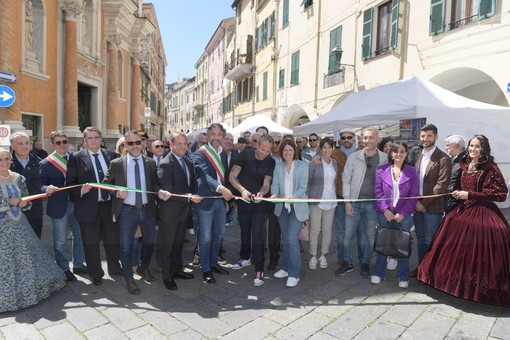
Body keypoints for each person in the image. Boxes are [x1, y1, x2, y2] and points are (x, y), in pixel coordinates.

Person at [418, 135, 510, 307]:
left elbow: (501, 195)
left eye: (477, 146)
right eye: (471, 146)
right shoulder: (465, 165)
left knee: (492, 234)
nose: (473, 149)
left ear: (483, 148)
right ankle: (450, 283)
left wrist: (470, 194)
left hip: (483, 210)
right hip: (463, 209)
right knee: (450, 225)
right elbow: (461, 187)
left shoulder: (490, 167)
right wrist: (458, 193)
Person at [0, 149, 66, 312]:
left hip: (20, 225)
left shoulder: (18, 178)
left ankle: (30, 291)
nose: (4, 162)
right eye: (0, 159)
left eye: (7, 159)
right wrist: (9, 203)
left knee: (27, 257)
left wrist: (23, 203)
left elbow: (27, 201)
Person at [103, 130, 160, 295]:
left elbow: (154, 184)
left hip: (147, 209)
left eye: (137, 142)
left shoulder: (150, 163)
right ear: (125, 145)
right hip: (127, 211)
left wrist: (159, 192)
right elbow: (106, 184)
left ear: (142, 143)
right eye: (130, 143)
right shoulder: (116, 163)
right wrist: (116, 192)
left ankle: (143, 268)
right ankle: (129, 279)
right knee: (126, 247)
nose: (135, 146)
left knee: (149, 242)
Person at [66, 127, 122, 286]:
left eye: (96, 137)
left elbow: (118, 181)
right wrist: (80, 190)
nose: (93, 140)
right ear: (84, 141)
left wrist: (118, 192)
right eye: (89, 138)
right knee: (91, 243)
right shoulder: (76, 158)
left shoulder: (111, 156)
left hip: (109, 206)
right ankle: (95, 273)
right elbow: (69, 183)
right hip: (87, 208)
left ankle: (115, 268)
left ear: (101, 139)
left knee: (112, 240)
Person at [336, 128, 387, 278]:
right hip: (354, 202)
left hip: (372, 204)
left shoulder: (384, 158)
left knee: (370, 237)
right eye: (365, 138)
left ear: (377, 139)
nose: (367, 141)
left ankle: (365, 263)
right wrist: (347, 202)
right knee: (348, 234)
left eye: (371, 138)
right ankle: (347, 263)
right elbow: (346, 180)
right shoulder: (354, 157)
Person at [40, 130, 87, 283]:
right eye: (58, 142)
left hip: (77, 203)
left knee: (79, 236)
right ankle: (64, 268)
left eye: (64, 142)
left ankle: (78, 265)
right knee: (60, 240)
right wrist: (46, 188)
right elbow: (40, 184)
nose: (62, 145)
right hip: (58, 205)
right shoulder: (46, 163)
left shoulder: (75, 159)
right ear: (53, 144)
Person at [229, 134, 275, 286]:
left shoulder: (271, 161)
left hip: (259, 203)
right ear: (257, 144)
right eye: (262, 149)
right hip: (244, 200)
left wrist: (262, 193)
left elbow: (267, 183)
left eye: (268, 151)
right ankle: (244, 257)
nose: (264, 153)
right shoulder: (245, 154)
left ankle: (259, 268)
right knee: (244, 230)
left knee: (258, 234)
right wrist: (242, 190)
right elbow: (232, 176)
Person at [371, 142, 419, 288]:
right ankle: (379, 272)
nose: (399, 154)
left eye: (402, 151)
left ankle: (403, 276)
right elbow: (378, 192)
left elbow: (414, 195)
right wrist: (385, 209)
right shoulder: (381, 169)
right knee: (383, 242)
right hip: (384, 213)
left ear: (406, 153)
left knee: (402, 244)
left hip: (404, 215)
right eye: (396, 151)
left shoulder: (412, 171)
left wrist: (403, 213)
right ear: (391, 153)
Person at [158, 133, 201, 291]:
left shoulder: (187, 161)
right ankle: (167, 277)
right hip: (170, 213)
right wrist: (189, 198)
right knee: (167, 246)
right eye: (179, 143)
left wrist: (194, 194)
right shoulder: (166, 163)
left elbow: (191, 183)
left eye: (185, 143)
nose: (183, 146)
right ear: (171, 144)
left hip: (183, 212)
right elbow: (169, 190)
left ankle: (177, 270)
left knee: (178, 245)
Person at [194, 123, 234, 284]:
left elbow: (222, 176)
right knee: (205, 237)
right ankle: (205, 269)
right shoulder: (200, 154)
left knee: (219, 235)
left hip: (219, 201)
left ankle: (213, 263)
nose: (216, 137)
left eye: (219, 134)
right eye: (213, 134)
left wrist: (224, 198)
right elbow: (204, 176)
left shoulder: (223, 154)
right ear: (208, 136)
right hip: (205, 201)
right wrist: (221, 189)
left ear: (222, 136)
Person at [412, 124, 452, 274]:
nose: (425, 139)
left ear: (436, 137)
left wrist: (424, 203)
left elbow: (441, 185)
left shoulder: (443, 158)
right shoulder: (418, 156)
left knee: (431, 241)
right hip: (417, 205)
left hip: (433, 208)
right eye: (423, 136)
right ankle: (421, 269)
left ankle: (432, 272)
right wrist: (415, 201)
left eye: (429, 136)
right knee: (420, 240)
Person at [270, 139, 309, 288]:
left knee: (292, 239)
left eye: (290, 150)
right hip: (282, 208)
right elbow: (275, 185)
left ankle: (294, 273)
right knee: (286, 239)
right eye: (285, 150)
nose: (287, 153)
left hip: (297, 208)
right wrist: (274, 195)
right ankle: (286, 268)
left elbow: (302, 187)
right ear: (281, 152)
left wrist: (294, 196)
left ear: (295, 151)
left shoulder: (302, 166)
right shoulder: (278, 167)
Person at [307, 137, 337, 270]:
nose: (327, 150)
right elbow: (308, 180)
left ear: (332, 148)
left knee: (327, 230)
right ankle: (313, 255)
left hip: (331, 200)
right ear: (321, 148)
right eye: (324, 147)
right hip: (316, 200)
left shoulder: (334, 162)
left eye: (329, 147)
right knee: (315, 229)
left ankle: (323, 255)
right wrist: (309, 196)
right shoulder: (315, 162)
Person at [10, 132, 44, 239]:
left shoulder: (40, 163)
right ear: (13, 146)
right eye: (20, 144)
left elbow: (44, 183)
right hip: (12, 212)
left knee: (35, 244)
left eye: (27, 143)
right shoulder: (6, 163)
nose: (25, 146)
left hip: (35, 211)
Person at [444, 134, 467, 212]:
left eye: (448, 145)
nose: (445, 148)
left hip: (458, 202)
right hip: (451, 200)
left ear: (457, 146)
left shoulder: (465, 160)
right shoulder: (453, 159)